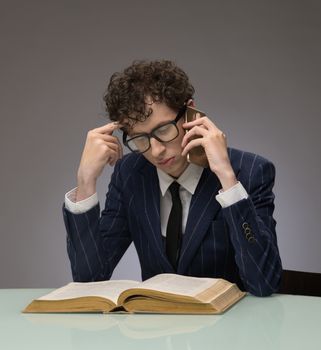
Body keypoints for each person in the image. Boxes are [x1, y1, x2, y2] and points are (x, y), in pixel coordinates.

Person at [63, 60, 282, 296]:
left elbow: (263, 283)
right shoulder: (130, 175)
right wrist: (85, 182)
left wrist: (227, 179)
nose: (156, 150)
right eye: (139, 138)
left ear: (190, 113)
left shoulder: (249, 171)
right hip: (157, 329)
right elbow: (90, 280)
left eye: (164, 129)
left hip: (229, 328)